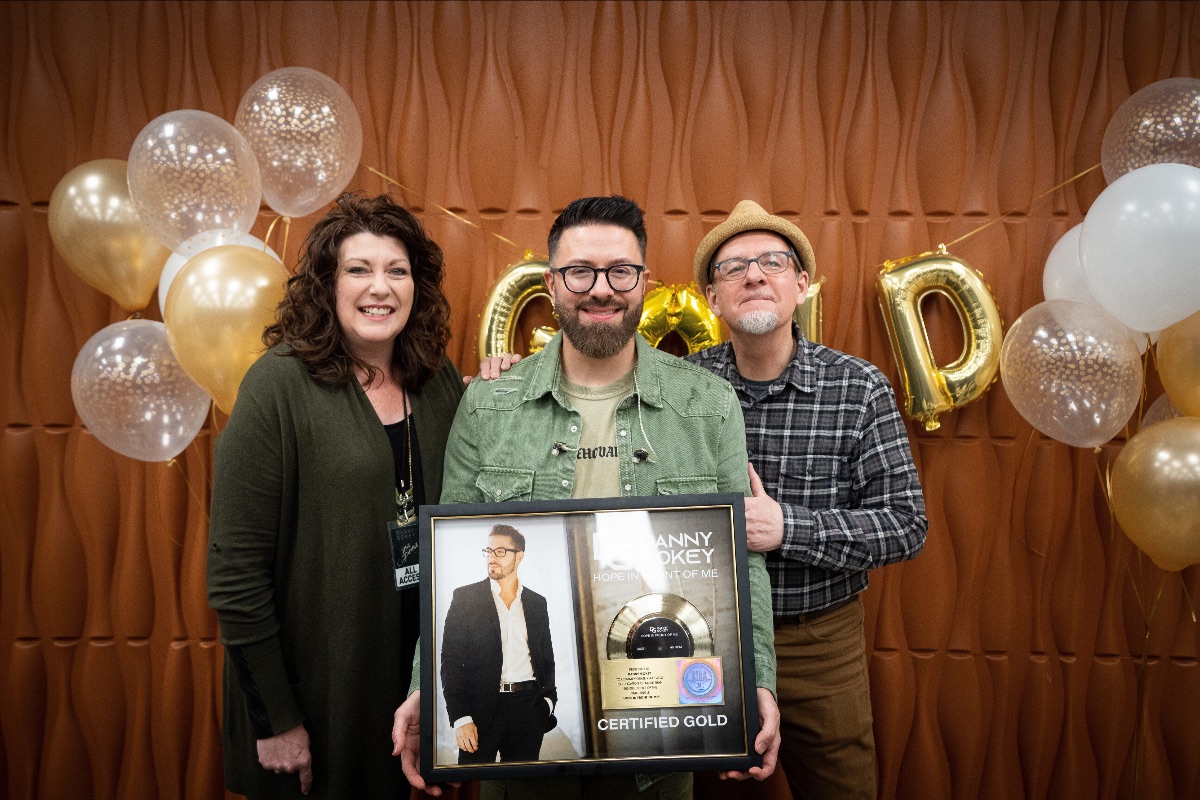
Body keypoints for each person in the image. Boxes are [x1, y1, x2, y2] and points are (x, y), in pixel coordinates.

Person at [393, 195, 780, 800]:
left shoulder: (706, 405)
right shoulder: (491, 403)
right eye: (580, 271)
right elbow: (448, 564)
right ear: (551, 283)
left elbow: (741, 559)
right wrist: (425, 690)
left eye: (620, 271)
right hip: (523, 737)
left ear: (645, 282)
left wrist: (758, 681)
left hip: (657, 713)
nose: (601, 289)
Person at [207, 193, 464, 798]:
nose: (381, 288)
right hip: (313, 696)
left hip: (409, 685)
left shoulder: (437, 378)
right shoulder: (278, 384)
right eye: (359, 269)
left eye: (397, 271)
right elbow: (235, 573)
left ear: (417, 287)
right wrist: (276, 720)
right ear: (326, 284)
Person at [686, 200, 928, 800]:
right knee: (717, 791)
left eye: (773, 261)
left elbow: (906, 524)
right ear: (713, 298)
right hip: (713, 640)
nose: (754, 274)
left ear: (800, 285)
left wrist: (787, 528)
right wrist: (503, 371)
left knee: (843, 787)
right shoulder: (682, 388)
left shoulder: (858, 387)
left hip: (821, 642)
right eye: (733, 267)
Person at [441, 524, 557, 764]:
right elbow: (450, 661)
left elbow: (546, 657)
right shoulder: (465, 598)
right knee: (472, 785)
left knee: (522, 789)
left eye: (500, 551)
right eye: (488, 551)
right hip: (480, 709)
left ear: (520, 556)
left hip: (528, 709)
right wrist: (461, 717)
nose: (492, 557)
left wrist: (547, 702)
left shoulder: (537, 603)